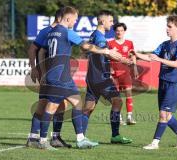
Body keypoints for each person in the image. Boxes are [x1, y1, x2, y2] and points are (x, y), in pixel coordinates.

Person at [37, 6, 124, 149]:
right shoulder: (67, 32)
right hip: (61, 77)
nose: (75, 22)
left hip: (56, 75)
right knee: (52, 107)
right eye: (75, 19)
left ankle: (80, 138)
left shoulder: (51, 33)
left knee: (76, 103)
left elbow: (42, 51)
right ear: (67, 18)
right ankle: (43, 141)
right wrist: (106, 50)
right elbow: (85, 46)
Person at [135, 15, 177, 149]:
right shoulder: (165, 44)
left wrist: (159, 60)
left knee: (163, 114)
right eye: (167, 26)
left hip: (174, 83)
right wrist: (135, 55)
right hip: (163, 82)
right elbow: (150, 57)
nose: (167, 29)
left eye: (170, 26)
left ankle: (155, 143)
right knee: (167, 115)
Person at [82, 10, 133, 144]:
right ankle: (115, 136)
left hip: (92, 77)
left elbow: (88, 51)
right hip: (101, 78)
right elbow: (106, 54)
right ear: (102, 21)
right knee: (118, 102)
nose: (112, 23)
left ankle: (80, 137)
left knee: (88, 109)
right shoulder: (100, 37)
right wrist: (124, 60)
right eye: (110, 21)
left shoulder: (93, 35)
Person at [26, 8, 71, 148]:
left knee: (61, 104)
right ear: (61, 18)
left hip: (56, 75)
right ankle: (37, 137)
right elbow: (34, 49)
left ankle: (51, 137)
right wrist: (35, 69)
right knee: (45, 104)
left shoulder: (61, 32)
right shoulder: (47, 31)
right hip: (49, 75)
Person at [108, 22, 138, 125]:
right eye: (117, 30)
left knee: (128, 93)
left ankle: (129, 116)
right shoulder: (110, 43)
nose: (119, 32)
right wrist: (109, 70)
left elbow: (132, 55)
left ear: (124, 31)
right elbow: (107, 57)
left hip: (125, 73)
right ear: (114, 31)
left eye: (121, 30)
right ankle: (118, 117)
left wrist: (134, 67)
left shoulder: (129, 43)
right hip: (114, 74)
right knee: (117, 96)